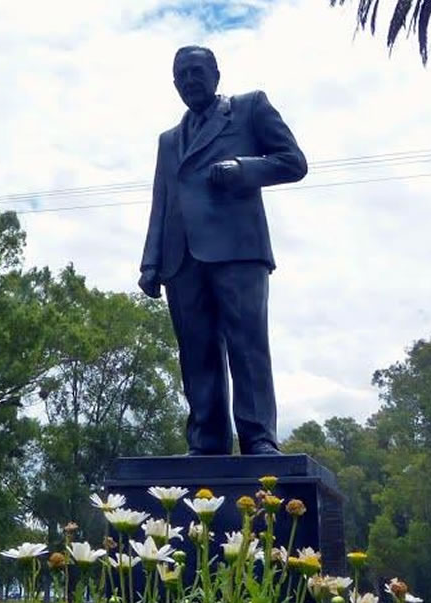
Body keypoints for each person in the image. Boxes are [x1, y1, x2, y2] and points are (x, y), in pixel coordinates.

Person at [139, 45, 308, 456]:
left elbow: (293, 162)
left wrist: (243, 169)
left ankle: (258, 438)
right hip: (182, 261)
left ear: (216, 74)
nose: (190, 81)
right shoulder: (168, 140)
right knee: (196, 353)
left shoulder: (249, 108)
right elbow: (162, 201)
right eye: (182, 75)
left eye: (197, 72)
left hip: (237, 250)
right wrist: (151, 263)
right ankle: (206, 441)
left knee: (247, 346)